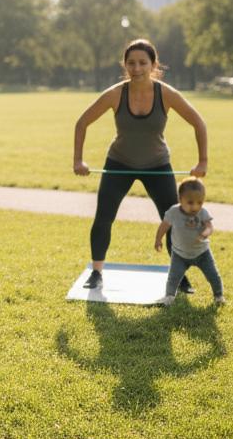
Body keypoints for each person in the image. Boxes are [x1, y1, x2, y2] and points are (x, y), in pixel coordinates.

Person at [73, 39, 209, 291]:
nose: (136, 68)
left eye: (143, 63)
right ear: (125, 65)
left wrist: (202, 161)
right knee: (103, 217)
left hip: (157, 164)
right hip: (119, 163)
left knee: (173, 220)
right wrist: (78, 160)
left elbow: (198, 123)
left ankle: (180, 275)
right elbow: (82, 123)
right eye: (131, 63)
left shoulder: (166, 94)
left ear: (153, 65)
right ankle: (97, 272)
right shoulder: (115, 94)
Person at [155, 177, 223, 306]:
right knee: (173, 277)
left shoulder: (203, 213)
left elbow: (209, 227)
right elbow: (164, 226)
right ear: (180, 199)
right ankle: (169, 297)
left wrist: (204, 234)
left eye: (199, 202)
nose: (195, 206)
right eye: (190, 202)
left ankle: (218, 296)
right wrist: (158, 239)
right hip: (179, 255)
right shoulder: (173, 212)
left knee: (213, 275)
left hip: (202, 253)